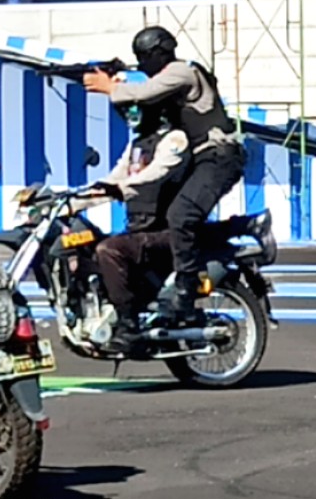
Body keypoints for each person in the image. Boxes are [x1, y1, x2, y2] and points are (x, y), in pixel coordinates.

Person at [82, 26, 244, 329]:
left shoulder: (182, 72)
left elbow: (144, 92)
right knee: (165, 219)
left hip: (218, 156)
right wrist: (117, 87)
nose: (142, 64)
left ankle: (187, 284)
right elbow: (141, 114)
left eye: (144, 57)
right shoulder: (166, 90)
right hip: (198, 159)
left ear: (161, 52)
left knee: (182, 214)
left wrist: (110, 86)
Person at [89, 105, 190, 349]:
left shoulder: (175, 138)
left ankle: (128, 323)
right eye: (127, 112)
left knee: (109, 250)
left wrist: (123, 187)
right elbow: (114, 178)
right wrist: (71, 201)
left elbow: (158, 171)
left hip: (164, 231)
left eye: (136, 109)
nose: (130, 116)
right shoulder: (136, 144)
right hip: (139, 228)